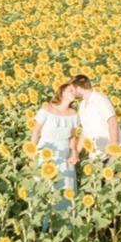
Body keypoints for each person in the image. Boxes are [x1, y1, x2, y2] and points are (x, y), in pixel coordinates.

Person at [30, 80, 82, 229]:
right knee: (44, 185)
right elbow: (36, 132)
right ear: (62, 92)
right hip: (45, 150)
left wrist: (74, 153)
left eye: (75, 91)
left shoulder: (73, 114)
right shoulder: (47, 109)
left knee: (65, 186)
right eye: (71, 90)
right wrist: (31, 152)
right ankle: (40, 225)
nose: (73, 93)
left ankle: (61, 227)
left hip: (64, 152)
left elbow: (73, 136)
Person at [70, 74, 121, 161]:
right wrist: (76, 152)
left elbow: (112, 122)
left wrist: (114, 148)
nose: (71, 93)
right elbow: (85, 131)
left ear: (78, 88)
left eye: (72, 90)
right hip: (96, 156)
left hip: (110, 153)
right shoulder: (83, 105)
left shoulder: (99, 99)